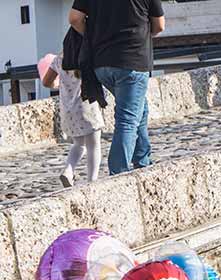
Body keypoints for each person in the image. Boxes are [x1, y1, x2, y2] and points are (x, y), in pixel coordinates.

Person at [68, 0, 164, 176]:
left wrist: (94, 37)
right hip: (133, 60)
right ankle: (118, 173)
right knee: (127, 118)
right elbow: (159, 25)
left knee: (138, 110)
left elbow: (75, 19)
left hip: (101, 64)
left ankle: (142, 161)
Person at [42, 53, 104, 187]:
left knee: (79, 144)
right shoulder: (88, 55)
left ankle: (68, 171)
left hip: (68, 110)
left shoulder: (58, 59)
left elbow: (46, 82)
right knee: (94, 146)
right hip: (88, 105)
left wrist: (58, 85)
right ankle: (92, 182)